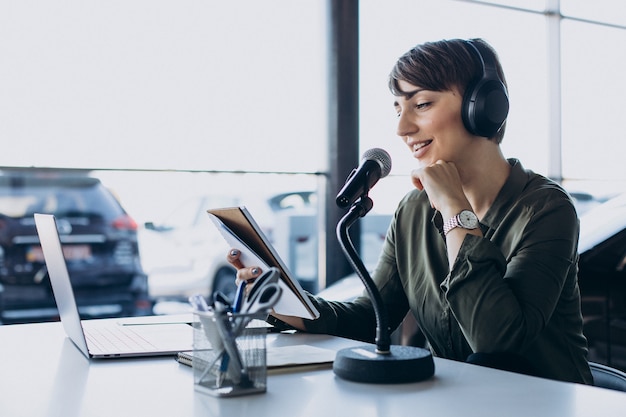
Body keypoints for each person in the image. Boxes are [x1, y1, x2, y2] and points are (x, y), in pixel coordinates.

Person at [227, 38, 593, 385]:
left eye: (421, 104)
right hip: (454, 402)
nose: (402, 128)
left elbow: (495, 339)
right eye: (398, 109)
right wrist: (285, 300)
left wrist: (454, 208)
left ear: (484, 108)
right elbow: (373, 315)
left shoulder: (546, 208)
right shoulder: (414, 209)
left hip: (541, 404)